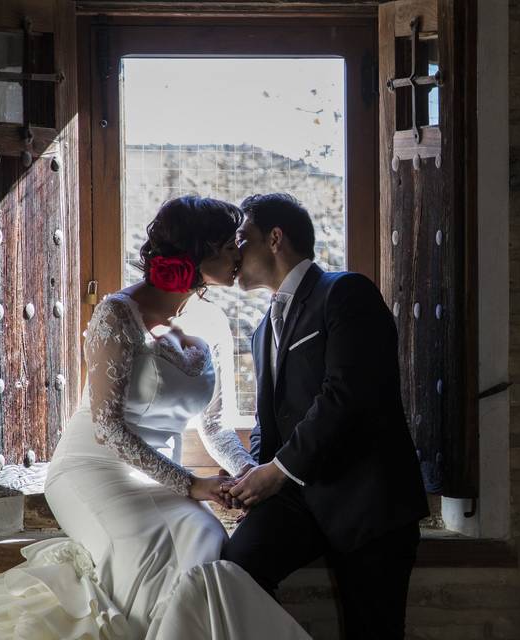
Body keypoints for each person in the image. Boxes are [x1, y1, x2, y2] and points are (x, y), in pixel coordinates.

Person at [0, 195, 310, 640]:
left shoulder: (214, 321)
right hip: (93, 469)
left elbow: (215, 426)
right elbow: (107, 427)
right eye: (225, 246)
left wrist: (247, 475)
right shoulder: (118, 313)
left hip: (158, 479)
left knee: (204, 538)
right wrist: (192, 484)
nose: (238, 254)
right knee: (147, 551)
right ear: (195, 253)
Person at [221, 193, 429, 639]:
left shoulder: (345, 291)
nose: (234, 252)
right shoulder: (261, 332)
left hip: (367, 499)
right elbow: (268, 422)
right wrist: (258, 477)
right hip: (300, 502)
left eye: (243, 238)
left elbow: (347, 394)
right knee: (235, 570)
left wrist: (277, 471)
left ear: (275, 238)